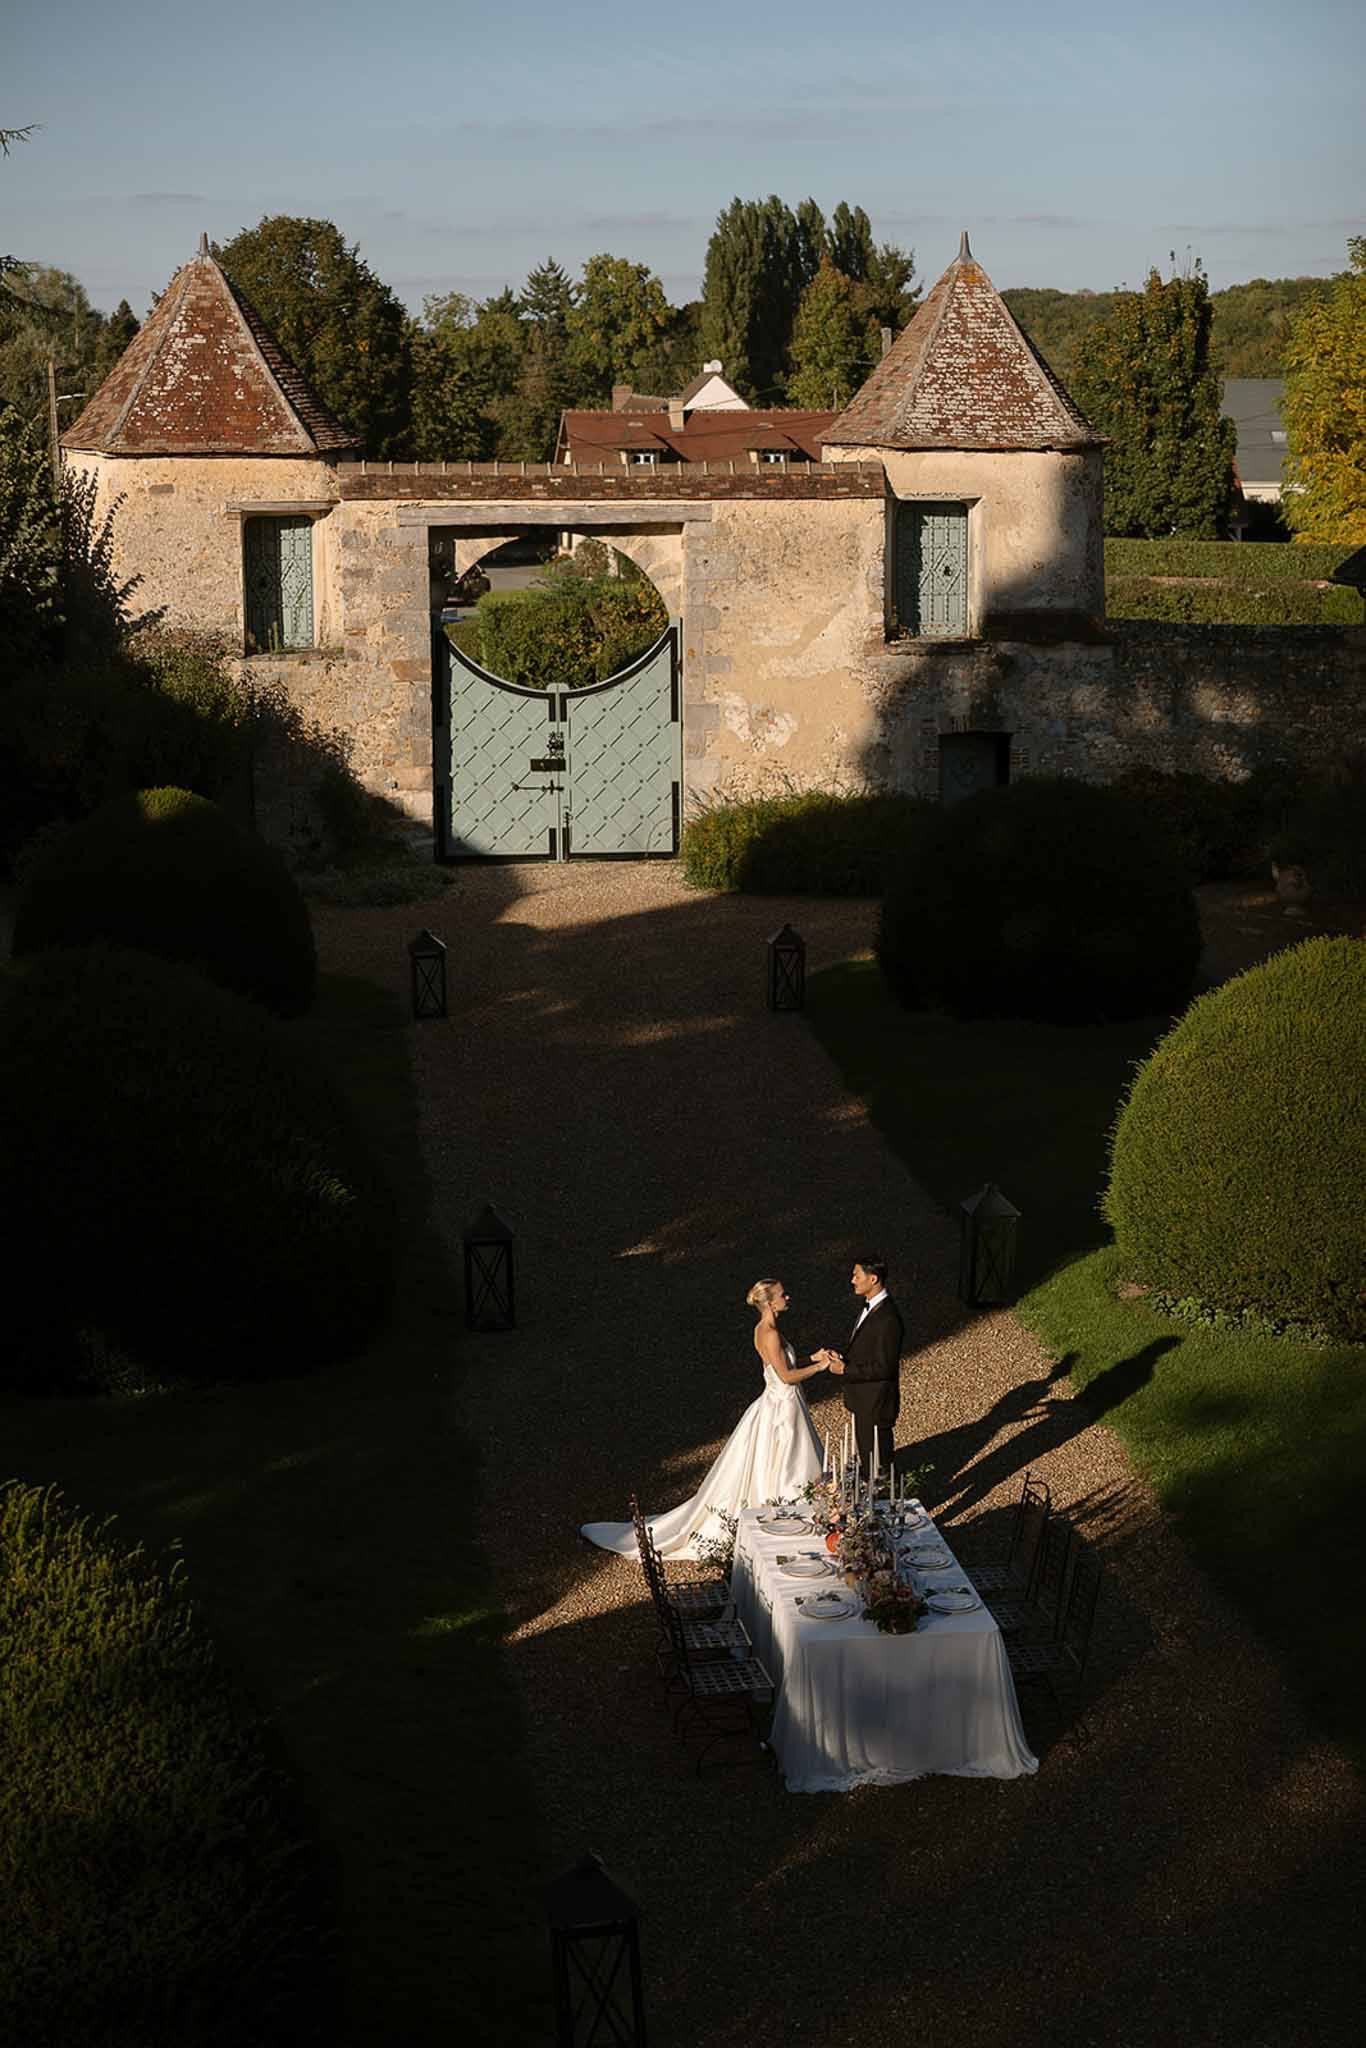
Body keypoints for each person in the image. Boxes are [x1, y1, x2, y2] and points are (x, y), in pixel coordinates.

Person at [580, 1279, 826, 1560]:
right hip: (783, 1406)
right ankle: (789, 1517)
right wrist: (821, 1367)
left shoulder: (763, 1329)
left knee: (773, 1462)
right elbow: (786, 1376)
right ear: (769, 1302)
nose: (788, 1297)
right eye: (783, 1294)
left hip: (778, 1403)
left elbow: (782, 1362)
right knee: (787, 1460)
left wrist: (810, 1356)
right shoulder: (769, 1333)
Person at [813, 1255, 903, 1481]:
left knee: (878, 1468)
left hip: (876, 1403)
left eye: (856, 1275)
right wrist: (844, 1359)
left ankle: (881, 1508)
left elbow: (884, 1367)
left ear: (873, 1279)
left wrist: (845, 1370)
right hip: (865, 1402)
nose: (852, 1280)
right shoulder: (872, 1309)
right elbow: (868, 1352)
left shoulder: (887, 1318)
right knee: (867, 1460)